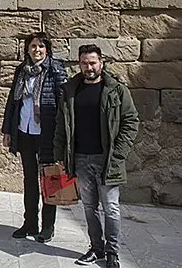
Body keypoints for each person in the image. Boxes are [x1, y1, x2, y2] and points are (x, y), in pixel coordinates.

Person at [54, 45, 139, 268]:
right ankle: (96, 248)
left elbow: (131, 122)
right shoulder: (71, 90)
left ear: (101, 62)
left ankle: (112, 252)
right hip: (81, 158)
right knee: (89, 207)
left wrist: (119, 154)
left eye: (92, 62)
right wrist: (60, 154)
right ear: (79, 64)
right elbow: (62, 125)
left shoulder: (116, 90)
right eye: (84, 63)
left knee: (111, 207)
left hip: (107, 159)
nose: (89, 67)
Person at [2, 31, 67, 243]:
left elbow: (63, 106)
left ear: (47, 49)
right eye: (32, 46)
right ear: (27, 49)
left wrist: (62, 136)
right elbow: (13, 101)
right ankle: (30, 223)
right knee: (30, 180)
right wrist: (8, 130)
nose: (36, 50)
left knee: (50, 179)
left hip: (46, 134)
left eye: (40, 46)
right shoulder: (22, 71)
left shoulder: (55, 70)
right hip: (25, 131)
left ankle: (48, 227)